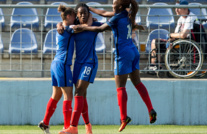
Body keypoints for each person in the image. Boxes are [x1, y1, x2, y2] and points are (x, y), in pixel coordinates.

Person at [73, 0, 157, 132]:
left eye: (114, 3)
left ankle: (124, 118)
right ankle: (150, 108)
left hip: (122, 53)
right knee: (137, 83)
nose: (112, 4)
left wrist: (82, 27)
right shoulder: (127, 13)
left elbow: (99, 28)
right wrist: (91, 8)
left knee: (120, 87)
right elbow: (105, 13)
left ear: (120, 6)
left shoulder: (117, 17)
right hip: (133, 50)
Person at [58, 3, 103, 134]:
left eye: (85, 13)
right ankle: (88, 126)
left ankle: (73, 127)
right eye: (81, 13)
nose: (83, 15)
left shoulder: (94, 25)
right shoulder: (74, 26)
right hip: (78, 63)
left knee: (78, 91)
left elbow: (107, 26)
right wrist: (59, 25)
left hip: (90, 62)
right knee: (82, 95)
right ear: (77, 15)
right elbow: (64, 24)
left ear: (89, 14)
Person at [38, 5, 76, 134]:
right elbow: (80, 27)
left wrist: (59, 23)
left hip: (55, 63)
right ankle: (67, 128)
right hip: (63, 65)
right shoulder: (69, 29)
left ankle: (45, 122)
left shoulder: (60, 28)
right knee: (68, 95)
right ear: (69, 16)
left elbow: (62, 24)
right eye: (74, 16)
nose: (76, 19)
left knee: (56, 95)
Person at [146, 0, 198, 71]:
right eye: (175, 8)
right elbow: (176, 34)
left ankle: (154, 66)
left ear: (185, 8)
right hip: (179, 42)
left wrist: (170, 35)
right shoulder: (181, 18)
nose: (176, 10)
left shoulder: (190, 18)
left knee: (155, 42)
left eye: (178, 8)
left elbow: (183, 35)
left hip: (185, 44)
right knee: (155, 42)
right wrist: (169, 40)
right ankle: (156, 66)